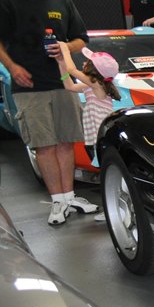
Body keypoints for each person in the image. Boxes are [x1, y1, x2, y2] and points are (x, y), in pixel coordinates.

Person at [0, 0, 99, 225]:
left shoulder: (63, 2)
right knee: (44, 146)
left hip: (63, 82)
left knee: (67, 142)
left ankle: (69, 197)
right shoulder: (7, 1)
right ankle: (57, 202)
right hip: (29, 86)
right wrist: (12, 67)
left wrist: (66, 46)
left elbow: (82, 39)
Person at [55, 41, 119, 223]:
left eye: (87, 62)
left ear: (94, 70)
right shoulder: (95, 84)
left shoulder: (95, 83)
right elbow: (69, 86)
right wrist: (61, 64)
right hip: (94, 137)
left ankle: (111, 209)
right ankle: (111, 208)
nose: (84, 63)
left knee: (105, 175)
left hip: (99, 137)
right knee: (104, 173)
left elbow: (72, 70)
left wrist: (65, 50)